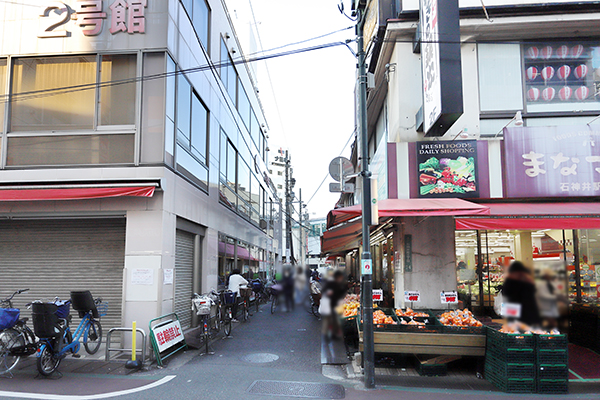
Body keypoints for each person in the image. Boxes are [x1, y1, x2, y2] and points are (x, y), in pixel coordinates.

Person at [502, 261, 541, 326]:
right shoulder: (523, 281)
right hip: (519, 309)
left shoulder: (510, 282)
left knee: (516, 327)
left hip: (519, 309)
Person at [321, 270, 347, 338]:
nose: (341, 279)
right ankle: (332, 332)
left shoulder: (339, 284)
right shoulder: (331, 283)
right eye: (340, 277)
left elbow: (342, 292)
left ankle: (334, 331)